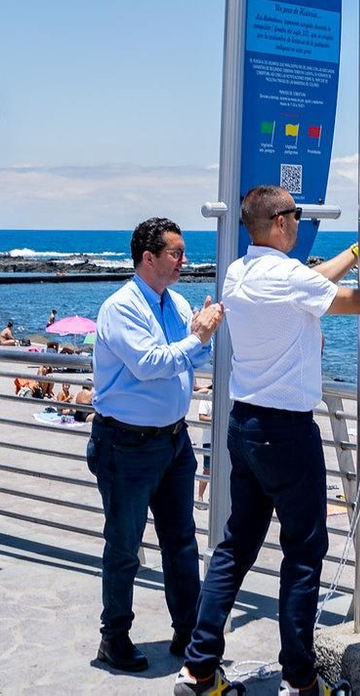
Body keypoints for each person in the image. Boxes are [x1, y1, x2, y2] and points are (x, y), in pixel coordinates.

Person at [177, 190, 360, 696]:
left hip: (245, 426)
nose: (299, 221)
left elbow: (313, 282)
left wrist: (356, 250)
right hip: (288, 433)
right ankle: (300, 680)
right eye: (296, 214)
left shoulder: (238, 273)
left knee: (236, 546)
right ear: (279, 222)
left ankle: (199, 669)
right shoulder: (289, 277)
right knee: (302, 554)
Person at [87, 216, 224, 673]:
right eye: (175, 253)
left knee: (181, 541)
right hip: (126, 443)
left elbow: (195, 356)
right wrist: (197, 336)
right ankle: (114, 637)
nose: (184, 260)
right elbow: (149, 364)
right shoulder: (121, 307)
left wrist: (198, 338)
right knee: (124, 545)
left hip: (173, 440)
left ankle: (188, 630)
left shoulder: (176, 302)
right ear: (149, 258)